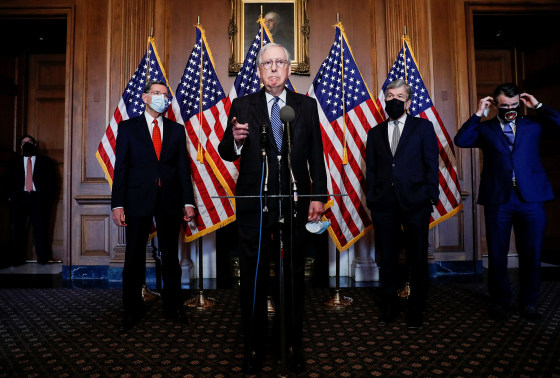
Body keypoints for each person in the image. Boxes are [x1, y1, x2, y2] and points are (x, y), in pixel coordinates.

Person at [218, 43, 327, 374]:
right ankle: (252, 346)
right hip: (255, 205)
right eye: (268, 64)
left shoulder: (305, 106)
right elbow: (226, 152)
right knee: (252, 278)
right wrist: (236, 139)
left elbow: (316, 157)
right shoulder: (242, 104)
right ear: (260, 70)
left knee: (292, 277)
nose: (275, 69)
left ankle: (291, 343)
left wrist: (317, 198)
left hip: (293, 204)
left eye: (280, 62)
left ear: (289, 69)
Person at [454, 83, 560, 321]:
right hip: (498, 198)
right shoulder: (486, 129)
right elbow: (461, 139)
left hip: (531, 198)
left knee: (531, 251)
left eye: (513, 105)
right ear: (495, 104)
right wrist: (479, 113)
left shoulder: (533, 124)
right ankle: (500, 300)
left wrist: (539, 106)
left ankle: (529, 302)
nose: (510, 109)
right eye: (504, 106)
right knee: (497, 252)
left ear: (519, 104)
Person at [111, 80, 196, 332]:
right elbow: (121, 169)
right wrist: (118, 205)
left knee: (171, 256)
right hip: (137, 199)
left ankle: (173, 307)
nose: (162, 98)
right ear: (145, 98)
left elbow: (183, 169)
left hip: (169, 200)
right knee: (134, 257)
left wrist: (188, 201)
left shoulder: (176, 130)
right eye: (157, 93)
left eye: (165, 95)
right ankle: (131, 309)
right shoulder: (127, 128)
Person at [366, 79, 439, 329]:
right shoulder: (374, 133)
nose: (393, 100)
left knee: (417, 259)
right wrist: (373, 198)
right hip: (384, 205)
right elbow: (372, 169)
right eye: (389, 95)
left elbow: (432, 164)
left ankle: (416, 310)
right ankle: (389, 307)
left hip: (416, 203)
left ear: (408, 102)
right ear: (384, 100)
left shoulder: (423, 128)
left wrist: (431, 195)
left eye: (399, 96)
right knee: (387, 259)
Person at [6, 135, 57, 266]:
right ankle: (16, 259)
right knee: (17, 229)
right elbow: (8, 181)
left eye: (29, 142)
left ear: (35, 145)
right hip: (19, 199)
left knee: (41, 229)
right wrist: (11, 197)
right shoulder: (13, 162)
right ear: (20, 146)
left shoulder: (46, 161)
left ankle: (43, 258)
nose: (26, 144)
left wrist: (47, 199)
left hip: (38, 199)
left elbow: (52, 182)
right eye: (24, 143)